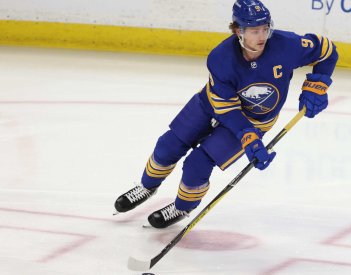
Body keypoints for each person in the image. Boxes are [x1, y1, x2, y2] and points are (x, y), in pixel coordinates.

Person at [114, 0, 339, 228]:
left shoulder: (286, 45)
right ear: (238, 30)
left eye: (265, 28)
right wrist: (246, 136)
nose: (262, 36)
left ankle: (182, 207)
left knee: (197, 164)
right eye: (254, 31)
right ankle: (147, 186)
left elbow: (327, 51)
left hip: (255, 119)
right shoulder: (221, 58)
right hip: (212, 105)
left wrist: (317, 85)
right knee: (168, 145)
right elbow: (226, 108)